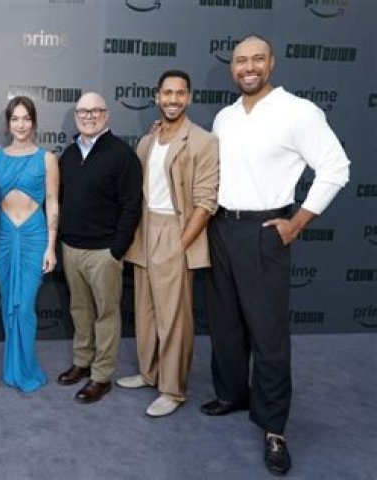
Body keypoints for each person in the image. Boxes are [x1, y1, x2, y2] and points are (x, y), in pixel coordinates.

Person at [202, 35, 350, 476]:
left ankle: (274, 428)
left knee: (267, 334)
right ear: (232, 67)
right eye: (240, 60)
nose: (248, 67)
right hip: (221, 227)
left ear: (272, 63)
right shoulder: (225, 116)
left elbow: (336, 167)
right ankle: (232, 394)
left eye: (257, 59)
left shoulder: (298, 111)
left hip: (265, 231)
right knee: (225, 324)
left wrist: (297, 221)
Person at [117, 70, 219, 417]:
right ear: (157, 97)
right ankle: (149, 373)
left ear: (188, 98)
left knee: (173, 317)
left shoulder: (203, 141)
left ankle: (173, 390)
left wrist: (181, 243)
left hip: (176, 231)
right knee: (145, 311)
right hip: (144, 230)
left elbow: (206, 201)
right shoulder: (147, 141)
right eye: (167, 93)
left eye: (180, 93)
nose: (173, 99)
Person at [57, 91, 141, 403]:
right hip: (71, 248)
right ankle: (82, 362)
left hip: (104, 252)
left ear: (106, 115)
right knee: (80, 310)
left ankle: (101, 376)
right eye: (83, 111)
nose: (89, 116)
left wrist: (116, 249)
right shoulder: (68, 154)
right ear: (76, 116)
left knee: (106, 314)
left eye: (95, 111)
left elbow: (131, 206)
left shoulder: (122, 155)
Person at [0, 96, 59, 393]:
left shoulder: (47, 158)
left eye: (26, 118)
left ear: (34, 123)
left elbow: (53, 202)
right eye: (15, 119)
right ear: (8, 124)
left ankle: (26, 366)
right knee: (7, 303)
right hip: (4, 237)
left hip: (34, 236)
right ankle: (12, 368)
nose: (21, 124)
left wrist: (51, 246)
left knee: (26, 306)